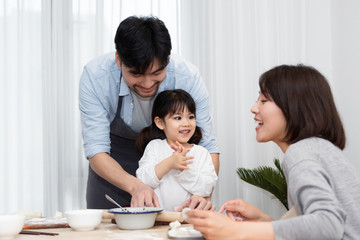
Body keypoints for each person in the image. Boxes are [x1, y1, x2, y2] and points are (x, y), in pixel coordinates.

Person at [186, 64, 360, 239]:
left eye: (263, 100)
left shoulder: (300, 154)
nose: (253, 108)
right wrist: (264, 221)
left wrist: (236, 231)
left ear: (293, 107)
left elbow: (328, 224)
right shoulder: (318, 148)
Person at [79, 15, 219, 209]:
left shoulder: (187, 76)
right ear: (119, 59)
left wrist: (203, 195)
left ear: (167, 60)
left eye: (156, 73)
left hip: (175, 162)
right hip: (113, 162)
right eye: (136, 74)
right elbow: (96, 150)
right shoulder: (96, 77)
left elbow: (208, 145)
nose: (147, 84)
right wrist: (136, 186)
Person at [135, 89, 218, 211]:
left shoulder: (201, 153)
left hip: (189, 221)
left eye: (191, 117)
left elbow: (206, 188)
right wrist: (169, 163)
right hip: (157, 219)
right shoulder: (155, 147)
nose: (186, 123)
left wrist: (182, 169)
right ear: (160, 123)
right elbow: (143, 180)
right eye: (178, 118)